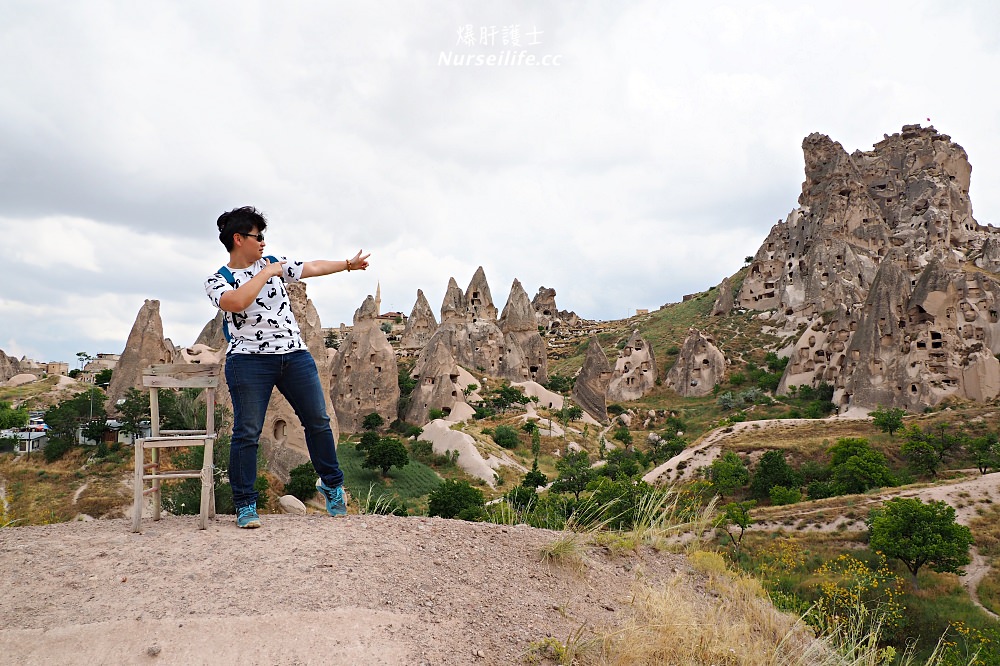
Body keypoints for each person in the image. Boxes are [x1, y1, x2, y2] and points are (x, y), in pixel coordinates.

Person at [204, 206, 370, 528]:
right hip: (248, 361)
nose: (263, 242)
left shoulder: (273, 263)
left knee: (318, 421)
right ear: (239, 239)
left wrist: (348, 265)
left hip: (294, 355)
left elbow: (312, 266)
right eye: (258, 236)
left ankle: (332, 486)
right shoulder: (218, 280)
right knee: (247, 432)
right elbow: (236, 303)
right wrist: (265, 273)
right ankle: (245, 504)